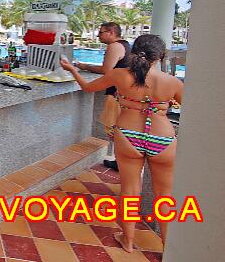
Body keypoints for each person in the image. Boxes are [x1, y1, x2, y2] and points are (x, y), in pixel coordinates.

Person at [61, 34, 183, 252]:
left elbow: (88, 88)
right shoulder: (173, 82)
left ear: (134, 52)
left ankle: (127, 241)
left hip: (129, 136)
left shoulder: (120, 75)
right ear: (161, 56)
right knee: (165, 195)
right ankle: (169, 248)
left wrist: (72, 70)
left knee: (129, 189)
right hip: (163, 138)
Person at [75, 22, 131, 171]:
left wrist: (83, 66)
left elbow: (106, 70)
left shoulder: (115, 46)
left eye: (101, 32)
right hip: (122, 93)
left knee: (117, 130)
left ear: (111, 32)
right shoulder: (124, 45)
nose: (98, 35)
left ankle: (121, 163)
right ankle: (120, 162)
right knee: (119, 130)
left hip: (117, 94)